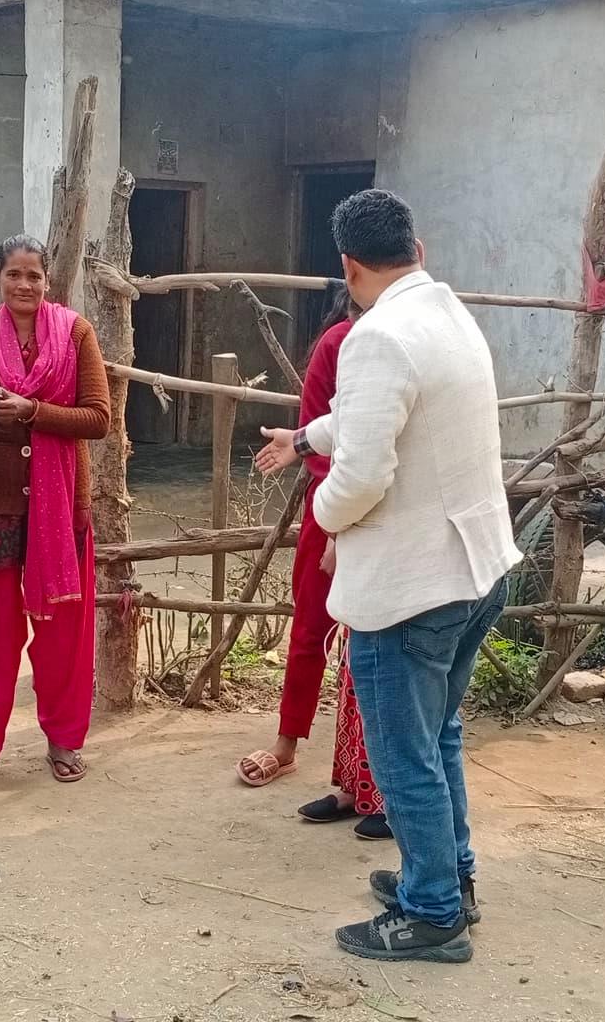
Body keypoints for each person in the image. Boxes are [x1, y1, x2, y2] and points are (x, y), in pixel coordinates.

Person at [256, 190, 519, 963]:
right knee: (437, 737)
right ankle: (449, 878)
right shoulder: (444, 315)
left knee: (404, 753)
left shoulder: (377, 337)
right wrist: (307, 435)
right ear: (418, 248)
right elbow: (374, 415)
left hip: (413, 588)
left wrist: (329, 517)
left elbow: (363, 473)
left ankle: (433, 913)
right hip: (475, 570)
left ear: (347, 264)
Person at [0, 235, 110, 792]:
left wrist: (33, 410)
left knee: (63, 634)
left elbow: (98, 418)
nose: (25, 285)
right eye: (14, 274)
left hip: (62, 508)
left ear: (48, 281)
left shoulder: (76, 334)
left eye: (34, 275)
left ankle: (64, 742)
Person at [232, 283, 389, 840]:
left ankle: (374, 784)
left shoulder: (401, 340)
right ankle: (290, 745)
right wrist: (333, 529)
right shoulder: (340, 344)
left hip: (388, 516)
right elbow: (325, 440)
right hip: (337, 506)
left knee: (376, 651)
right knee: (313, 631)